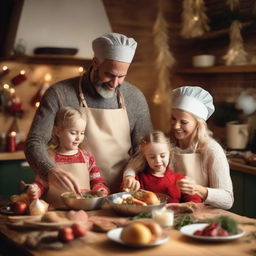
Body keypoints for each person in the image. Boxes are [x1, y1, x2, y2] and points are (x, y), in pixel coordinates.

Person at [25, 33, 152, 194]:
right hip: (71, 197)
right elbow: (34, 142)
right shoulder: (59, 93)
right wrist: (50, 170)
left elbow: (144, 151)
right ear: (95, 62)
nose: (114, 84)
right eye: (110, 74)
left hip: (123, 196)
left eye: (122, 76)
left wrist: (131, 176)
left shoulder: (135, 97)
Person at [123, 86, 234, 210]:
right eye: (173, 118)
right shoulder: (168, 142)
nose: (176, 126)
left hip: (203, 214)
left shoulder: (212, 150)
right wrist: (129, 176)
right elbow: (136, 161)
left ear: (198, 123)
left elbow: (228, 200)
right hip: (174, 211)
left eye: (183, 122)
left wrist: (198, 189)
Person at [27, 106, 109, 208]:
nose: (78, 137)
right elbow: (41, 183)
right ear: (58, 132)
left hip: (84, 209)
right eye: (73, 133)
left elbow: (96, 181)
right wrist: (35, 190)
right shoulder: (49, 159)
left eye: (82, 133)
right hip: (56, 210)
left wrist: (101, 189)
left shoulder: (87, 157)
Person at [122, 130, 202, 204]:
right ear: (145, 157)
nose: (158, 161)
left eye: (162, 156)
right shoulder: (138, 179)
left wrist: (186, 206)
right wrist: (129, 185)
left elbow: (195, 200)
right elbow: (125, 197)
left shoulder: (179, 180)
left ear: (169, 154)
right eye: (152, 157)